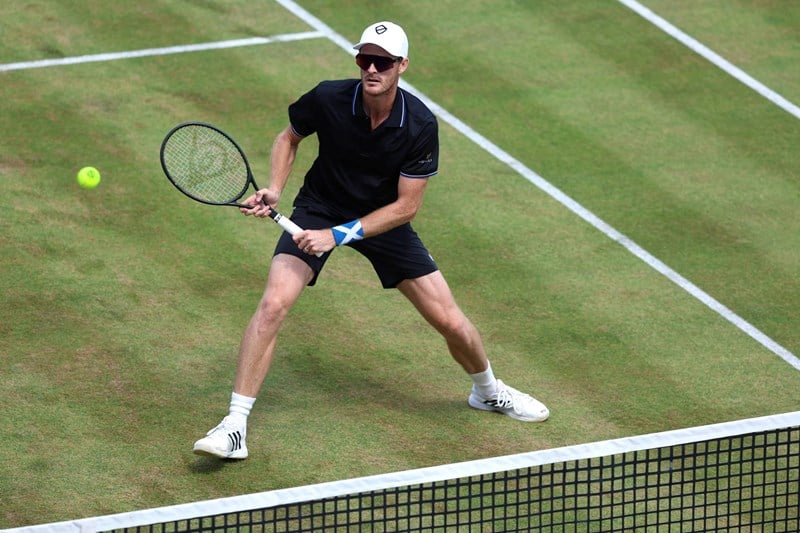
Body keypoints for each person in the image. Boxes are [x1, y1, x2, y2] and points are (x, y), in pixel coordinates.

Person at [193, 21, 549, 460]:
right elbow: (289, 138)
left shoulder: (419, 124)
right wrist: (274, 189)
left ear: (402, 66)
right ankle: (234, 426)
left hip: (383, 220)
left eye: (382, 61)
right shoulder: (329, 97)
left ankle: (489, 392)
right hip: (320, 205)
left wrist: (336, 236)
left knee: (451, 322)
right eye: (365, 59)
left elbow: (406, 207)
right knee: (273, 304)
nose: (371, 68)